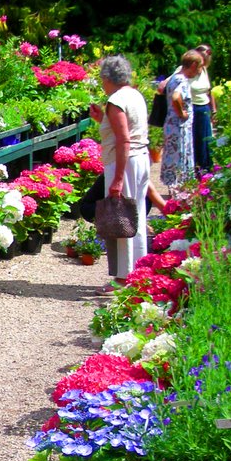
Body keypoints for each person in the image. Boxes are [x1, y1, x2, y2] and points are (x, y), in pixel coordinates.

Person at [89, 55, 150, 290]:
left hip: (125, 162)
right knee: (137, 216)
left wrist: (117, 179)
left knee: (122, 217)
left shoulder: (116, 100)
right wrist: (101, 119)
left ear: (107, 77)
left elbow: (124, 140)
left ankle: (124, 278)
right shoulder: (134, 95)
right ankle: (138, 272)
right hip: (139, 159)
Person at [160, 49, 204, 198]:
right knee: (180, 158)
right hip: (179, 126)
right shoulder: (182, 81)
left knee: (172, 157)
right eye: (199, 67)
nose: (199, 71)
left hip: (171, 125)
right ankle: (179, 191)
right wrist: (182, 113)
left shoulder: (174, 78)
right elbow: (176, 97)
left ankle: (174, 189)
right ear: (192, 65)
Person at [190, 44, 216, 172]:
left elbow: (209, 91)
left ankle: (206, 169)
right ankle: (196, 168)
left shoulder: (205, 71)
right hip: (192, 109)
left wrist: (213, 109)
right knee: (196, 141)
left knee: (206, 141)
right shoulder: (186, 71)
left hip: (204, 109)